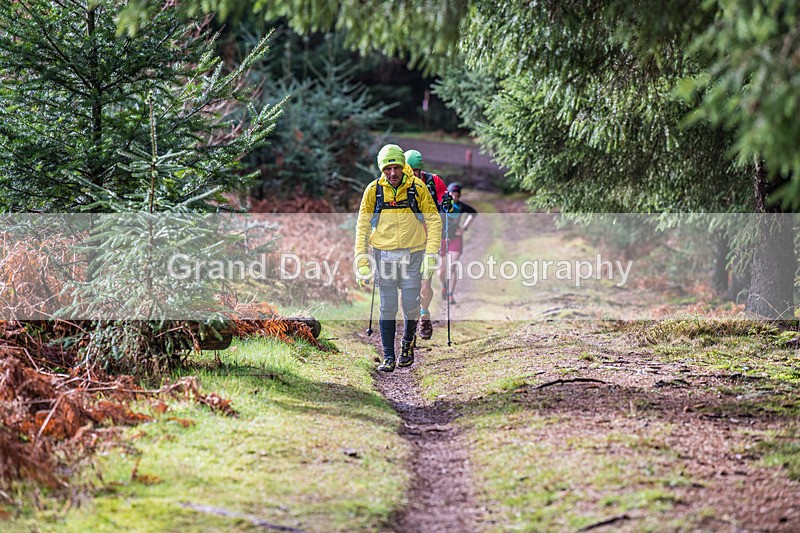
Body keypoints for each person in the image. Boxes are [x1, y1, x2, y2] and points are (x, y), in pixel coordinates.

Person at [354, 144, 442, 372]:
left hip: (414, 254)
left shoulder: (417, 188)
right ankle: (388, 357)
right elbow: (362, 226)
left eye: (396, 168)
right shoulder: (373, 191)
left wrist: (431, 255)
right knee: (387, 307)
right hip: (384, 256)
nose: (392, 173)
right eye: (387, 169)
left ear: (403, 166)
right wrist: (361, 261)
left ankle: (407, 344)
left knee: (411, 305)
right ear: (381, 169)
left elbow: (433, 220)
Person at [403, 149, 451, 340]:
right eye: (409, 170)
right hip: (406, 239)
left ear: (421, 169)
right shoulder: (400, 183)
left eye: (416, 171)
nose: (413, 175)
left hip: (429, 239)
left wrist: (447, 204)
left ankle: (423, 315)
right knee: (406, 284)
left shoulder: (433, 181)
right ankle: (410, 322)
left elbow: (445, 203)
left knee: (425, 280)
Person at [439, 182, 477, 304]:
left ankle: (450, 294)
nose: (454, 197)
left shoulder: (460, 207)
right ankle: (444, 284)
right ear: (447, 194)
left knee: (452, 267)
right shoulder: (441, 205)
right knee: (441, 271)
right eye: (452, 194)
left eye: (457, 195)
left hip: (455, 239)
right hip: (441, 239)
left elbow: (473, 213)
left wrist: (464, 228)